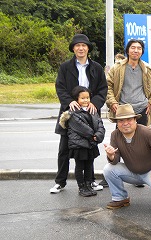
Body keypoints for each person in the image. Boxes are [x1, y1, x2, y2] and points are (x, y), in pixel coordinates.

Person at [50, 33, 108, 193]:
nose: (81, 48)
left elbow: (103, 88)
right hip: (70, 113)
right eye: (77, 46)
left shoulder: (96, 67)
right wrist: (69, 101)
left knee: (89, 148)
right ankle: (60, 182)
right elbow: (60, 87)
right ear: (73, 49)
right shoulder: (65, 67)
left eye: (84, 45)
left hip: (89, 113)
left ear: (88, 49)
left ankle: (90, 181)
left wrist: (95, 104)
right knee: (64, 149)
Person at [106, 39, 151, 188]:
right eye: (133, 48)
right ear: (127, 50)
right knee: (119, 143)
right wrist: (113, 102)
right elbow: (108, 86)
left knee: (141, 144)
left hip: (141, 109)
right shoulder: (117, 68)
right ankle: (112, 171)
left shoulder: (148, 68)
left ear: (142, 51)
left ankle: (140, 175)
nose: (136, 50)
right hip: (122, 111)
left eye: (139, 48)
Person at [103, 104, 151, 211]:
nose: (125, 123)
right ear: (117, 123)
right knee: (108, 169)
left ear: (135, 120)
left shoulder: (147, 132)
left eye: (129, 119)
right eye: (121, 121)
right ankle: (120, 197)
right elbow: (115, 161)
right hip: (131, 171)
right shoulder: (115, 135)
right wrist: (111, 155)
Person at [59, 86, 105, 197]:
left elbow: (100, 124)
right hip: (79, 145)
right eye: (82, 98)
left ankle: (88, 185)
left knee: (89, 165)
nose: (86, 100)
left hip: (91, 144)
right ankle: (81, 187)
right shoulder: (72, 112)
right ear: (76, 99)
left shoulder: (93, 110)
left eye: (88, 97)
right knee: (80, 167)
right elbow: (81, 128)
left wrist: (99, 135)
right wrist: (93, 135)